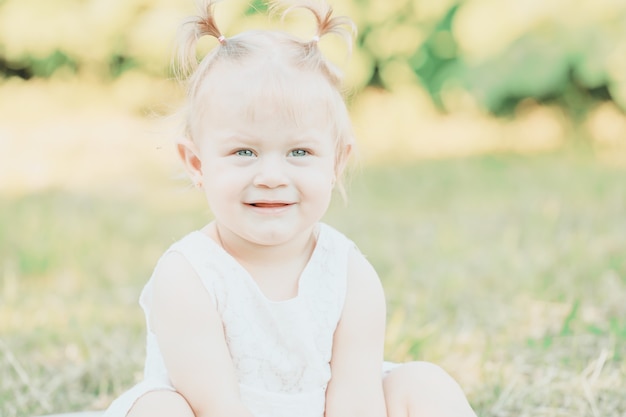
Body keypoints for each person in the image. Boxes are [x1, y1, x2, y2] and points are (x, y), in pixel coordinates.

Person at [103, 1, 477, 416]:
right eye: (244, 151)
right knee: (159, 409)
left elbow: (356, 403)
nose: (272, 176)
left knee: (424, 384)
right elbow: (217, 408)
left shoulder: (349, 276)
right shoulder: (189, 276)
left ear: (335, 163)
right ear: (197, 164)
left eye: (299, 151)